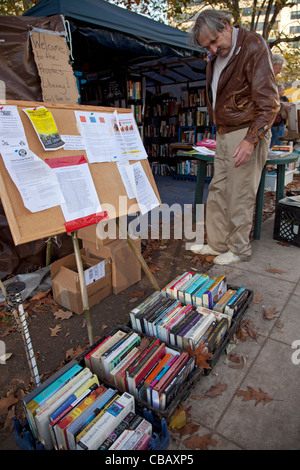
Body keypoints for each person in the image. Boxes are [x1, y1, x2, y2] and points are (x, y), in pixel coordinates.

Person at [189, 9, 280, 265]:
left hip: (246, 131)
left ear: (226, 25)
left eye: (215, 42)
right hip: (225, 131)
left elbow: (270, 102)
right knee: (218, 189)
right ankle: (218, 244)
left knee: (239, 194)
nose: (213, 49)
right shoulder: (217, 55)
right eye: (207, 46)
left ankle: (239, 249)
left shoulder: (253, 45)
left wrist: (251, 139)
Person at [270, 83, 291, 147]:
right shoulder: (277, 100)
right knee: (278, 145)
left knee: (272, 144)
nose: (284, 92)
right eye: (283, 90)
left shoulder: (278, 99)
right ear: (278, 91)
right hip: (277, 125)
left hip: (274, 125)